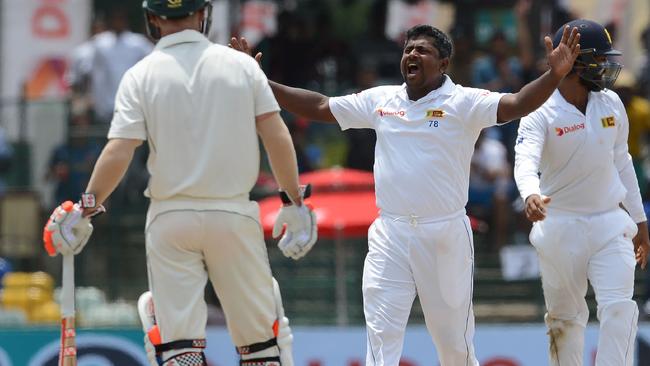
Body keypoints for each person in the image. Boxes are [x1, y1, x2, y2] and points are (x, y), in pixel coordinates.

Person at [231, 22, 580, 365]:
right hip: (391, 233)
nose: (412, 54)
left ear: (443, 63)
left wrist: (553, 76)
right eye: (408, 49)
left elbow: (518, 103)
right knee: (381, 338)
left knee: (453, 345)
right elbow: (322, 106)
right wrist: (261, 81)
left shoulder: (464, 102)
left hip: (443, 235)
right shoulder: (383, 100)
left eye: (422, 50)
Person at [42, 1, 317, 365]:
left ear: (152, 19)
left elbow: (119, 150)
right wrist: (292, 201)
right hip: (232, 214)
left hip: (171, 219)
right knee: (262, 349)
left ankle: (178, 352)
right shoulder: (242, 67)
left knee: (180, 350)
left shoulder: (141, 74)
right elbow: (276, 134)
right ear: (203, 14)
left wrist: (85, 208)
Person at [514, 19, 650, 366]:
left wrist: (641, 222)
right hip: (560, 225)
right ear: (573, 62)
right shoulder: (539, 110)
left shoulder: (612, 104)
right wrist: (530, 194)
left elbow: (623, 163)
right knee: (565, 319)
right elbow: (525, 160)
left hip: (609, 222)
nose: (607, 67)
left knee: (620, 308)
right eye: (599, 60)